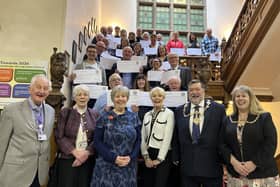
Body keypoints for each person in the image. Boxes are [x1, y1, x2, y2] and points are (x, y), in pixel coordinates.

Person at [0, 74, 55, 187]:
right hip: (15, 173)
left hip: (39, 173)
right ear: (30, 89)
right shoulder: (11, 110)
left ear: (48, 92)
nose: (41, 91)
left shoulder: (51, 111)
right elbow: (2, 143)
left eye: (45, 88)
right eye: (38, 87)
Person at [220, 85, 279, 186]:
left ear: (250, 98)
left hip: (263, 173)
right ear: (234, 100)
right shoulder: (227, 120)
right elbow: (221, 144)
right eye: (237, 96)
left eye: (244, 96)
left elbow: (270, 143)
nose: (240, 99)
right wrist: (235, 163)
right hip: (236, 175)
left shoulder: (264, 117)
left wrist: (254, 163)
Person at [172, 79, 226, 187]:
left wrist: (224, 160)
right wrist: (175, 157)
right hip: (188, 167)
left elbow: (223, 136)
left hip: (212, 166)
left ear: (204, 91)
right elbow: (176, 136)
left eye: (197, 89)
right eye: (191, 90)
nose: (194, 92)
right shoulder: (179, 111)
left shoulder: (218, 109)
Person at [90, 85, 141, 187]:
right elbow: (97, 141)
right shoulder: (104, 117)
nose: (120, 99)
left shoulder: (134, 117)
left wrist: (131, 158)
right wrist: (114, 158)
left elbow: (138, 140)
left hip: (128, 166)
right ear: (113, 99)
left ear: (127, 98)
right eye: (117, 96)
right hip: (107, 166)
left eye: (123, 96)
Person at [55, 84, 99, 187]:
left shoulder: (95, 114)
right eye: (79, 95)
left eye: (85, 94)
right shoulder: (65, 113)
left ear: (89, 97)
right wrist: (75, 153)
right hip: (68, 159)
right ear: (74, 97)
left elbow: (97, 138)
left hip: (88, 160)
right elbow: (59, 136)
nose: (82, 97)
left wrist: (86, 153)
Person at [141, 87, 174, 187]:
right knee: (148, 183)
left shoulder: (169, 114)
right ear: (151, 98)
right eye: (154, 96)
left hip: (163, 155)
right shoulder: (147, 114)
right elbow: (143, 137)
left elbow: (168, 138)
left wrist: (159, 159)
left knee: (160, 184)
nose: (157, 98)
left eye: (160, 96)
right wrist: (146, 157)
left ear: (164, 98)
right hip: (148, 154)